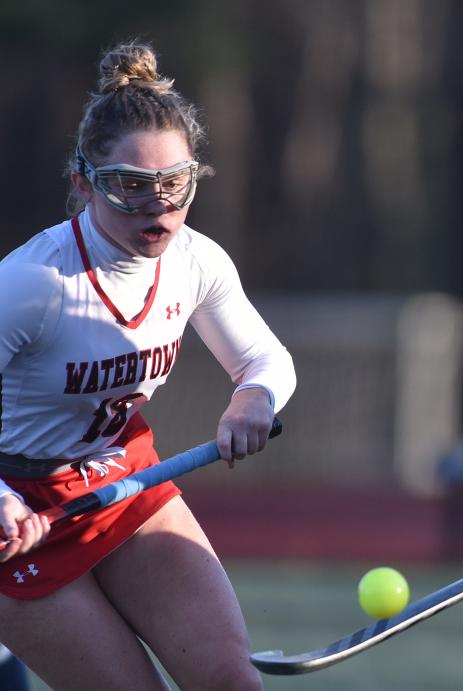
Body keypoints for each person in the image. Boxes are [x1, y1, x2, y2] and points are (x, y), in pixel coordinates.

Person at [0, 42, 295, 690]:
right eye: (130, 187)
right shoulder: (33, 282)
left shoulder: (197, 260)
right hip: (17, 513)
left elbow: (264, 358)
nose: (157, 206)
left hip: (120, 477)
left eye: (174, 184)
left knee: (231, 681)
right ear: (84, 181)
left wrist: (255, 397)